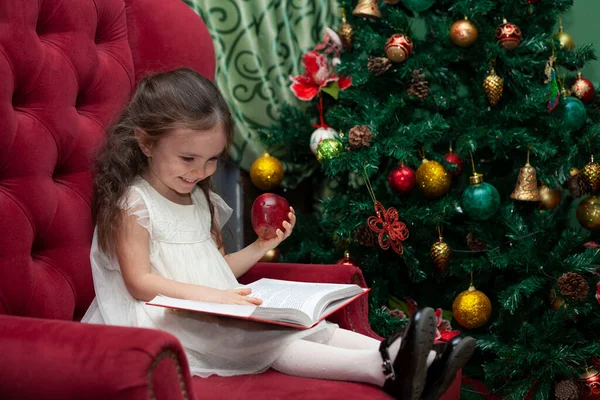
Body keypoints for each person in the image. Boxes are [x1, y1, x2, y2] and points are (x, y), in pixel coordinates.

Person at [81, 68, 475, 400]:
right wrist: (216, 297)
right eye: (187, 159)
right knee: (274, 342)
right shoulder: (136, 202)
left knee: (315, 329)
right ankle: (383, 369)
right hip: (162, 320)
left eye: (211, 160)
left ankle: (420, 361)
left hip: (212, 308)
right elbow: (140, 283)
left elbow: (216, 267)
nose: (199, 172)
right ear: (147, 142)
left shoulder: (197, 198)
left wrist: (260, 246)